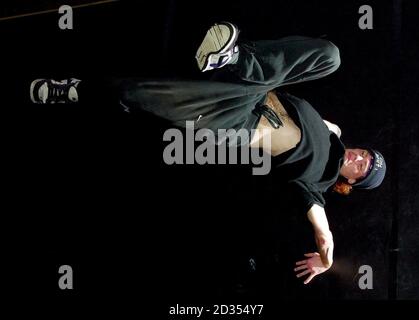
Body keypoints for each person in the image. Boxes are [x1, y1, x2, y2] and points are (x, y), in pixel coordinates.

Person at [29, 22, 386, 285]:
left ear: (350, 182)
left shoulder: (317, 185)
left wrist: (325, 259)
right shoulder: (331, 130)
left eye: (363, 168)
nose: (359, 159)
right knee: (330, 56)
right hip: (255, 87)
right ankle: (231, 56)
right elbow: (312, 90)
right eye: (366, 156)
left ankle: (74, 91)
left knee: (144, 95)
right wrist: (329, 129)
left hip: (237, 121)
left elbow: (324, 235)